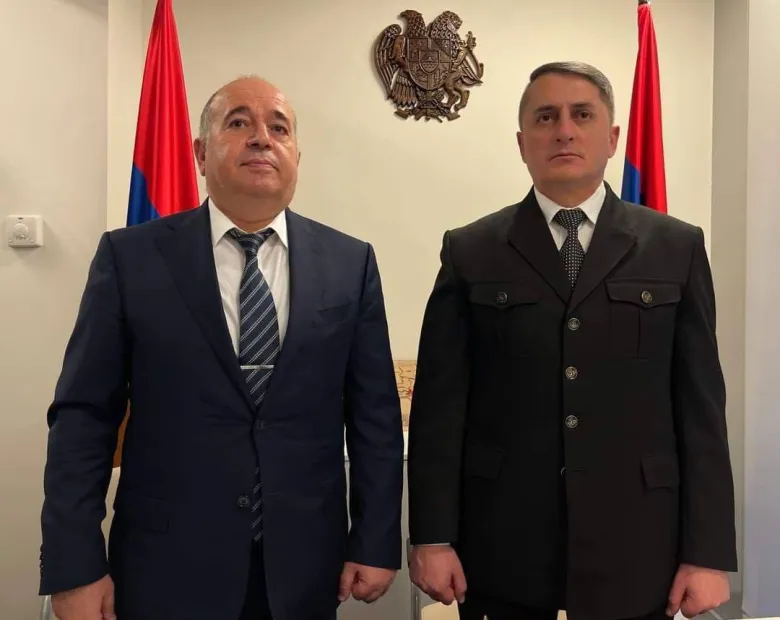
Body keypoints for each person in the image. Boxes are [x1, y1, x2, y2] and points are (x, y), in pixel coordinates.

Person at [39, 76, 404, 620]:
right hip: (165, 568)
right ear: (201, 153)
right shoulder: (130, 258)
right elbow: (83, 416)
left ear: (297, 156)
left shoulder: (351, 263)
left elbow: (375, 416)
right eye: (238, 122)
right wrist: (75, 564)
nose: (261, 138)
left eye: (278, 128)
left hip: (305, 569)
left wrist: (374, 538)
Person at [407, 61, 737, 620]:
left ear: (612, 138)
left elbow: (701, 410)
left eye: (582, 115)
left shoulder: (675, 247)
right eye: (545, 117)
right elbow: (440, 409)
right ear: (522, 143)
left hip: (638, 545)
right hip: (503, 546)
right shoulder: (470, 250)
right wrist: (433, 538)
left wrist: (706, 554)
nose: (564, 130)